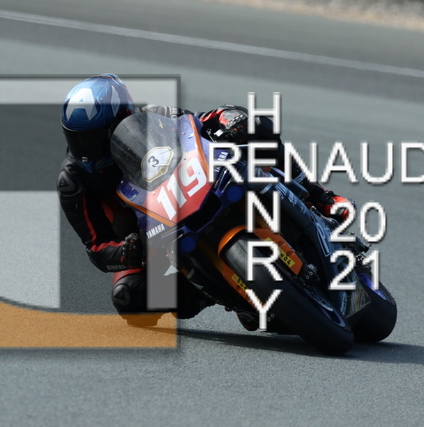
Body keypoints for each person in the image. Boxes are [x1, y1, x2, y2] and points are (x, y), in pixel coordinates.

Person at [56, 74, 354, 330]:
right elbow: (96, 246)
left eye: (94, 139)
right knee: (129, 298)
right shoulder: (73, 182)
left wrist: (230, 120)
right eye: (78, 140)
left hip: (195, 190)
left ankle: (320, 198)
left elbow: (198, 125)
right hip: (146, 238)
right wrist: (124, 253)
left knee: (254, 127)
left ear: (121, 118)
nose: (87, 152)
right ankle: (232, 295)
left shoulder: (156, 116)